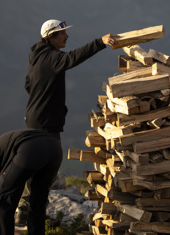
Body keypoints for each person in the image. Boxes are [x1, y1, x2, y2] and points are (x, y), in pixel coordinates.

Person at [15, 19, 117, 224]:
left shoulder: (37, 57)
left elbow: (28, 84)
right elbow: (72, 58)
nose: (66, 36)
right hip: (45, 124)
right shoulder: (51, 58)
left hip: (36, 119)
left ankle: (28, 210)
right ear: (50, 37)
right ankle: (28, 210)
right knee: (49, 165)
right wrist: (100, 42)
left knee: (39, 165)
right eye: (62, 33)